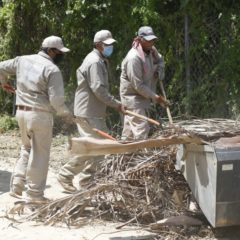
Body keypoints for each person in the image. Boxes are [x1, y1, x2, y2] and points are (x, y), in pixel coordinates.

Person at [0, 35, 72, 203]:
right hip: (39, 115)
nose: (61, 55)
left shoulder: (22, 60)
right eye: (59, 52)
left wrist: (3, 83)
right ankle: (34, 195)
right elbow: (56, 100)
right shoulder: (52, 69)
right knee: (40, 154)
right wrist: (66, 113)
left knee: (26, 148)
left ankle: (17, 186)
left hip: (21, 113)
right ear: (51, 51)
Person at [57, 30, 125, 193]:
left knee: (100, 148)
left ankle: (88, 182)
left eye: (110, 45)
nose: (110, 48)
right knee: (93, 146)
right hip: (88, 112)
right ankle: (65, 175)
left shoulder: (100, 60)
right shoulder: (94, 61)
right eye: (107, 45)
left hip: (93, 111)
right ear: (98, 45)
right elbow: (98, 89)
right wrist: (116, 104)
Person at [120, 26, 168, 140]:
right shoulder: (134, 58)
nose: (151, 42)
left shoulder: (152, 51)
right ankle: (143, 154)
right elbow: (138, 86)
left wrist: (159, 71)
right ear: (140, 39)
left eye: (153, 39)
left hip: (143, 96)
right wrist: (157, 98)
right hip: (133, 98)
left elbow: (161, 61)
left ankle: (126, 155)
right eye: (148, 40)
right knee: (141, 129)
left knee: (129, 134)